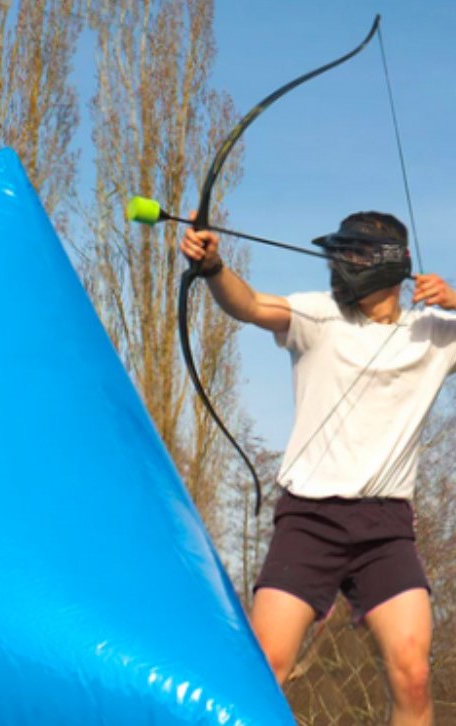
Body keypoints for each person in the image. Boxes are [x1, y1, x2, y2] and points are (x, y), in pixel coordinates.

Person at [180, 211, 456, 726]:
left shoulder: (437, 335)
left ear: (393, 264)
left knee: (413, 675)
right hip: (308, 522)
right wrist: (214, 267)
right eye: (339, 253)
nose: (341, 265)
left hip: (386, 529)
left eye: (355, 254)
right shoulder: (317, 315)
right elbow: (249, 304)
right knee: (265, 668)